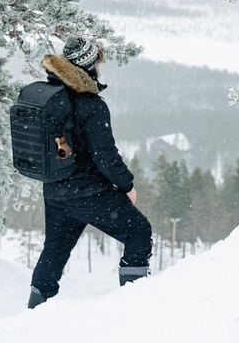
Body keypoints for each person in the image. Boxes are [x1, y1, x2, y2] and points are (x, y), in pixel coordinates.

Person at [28, 36, 153, 309]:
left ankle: (35, 311)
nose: (100, 67)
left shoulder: (51, 97)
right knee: (140, 231)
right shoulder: (92, 105)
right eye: (97, 62)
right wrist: (127, 186)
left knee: (54, 251)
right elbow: (105, 157)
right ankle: (134, 303)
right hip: (89, 193)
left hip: (56, 192)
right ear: (88, 66)